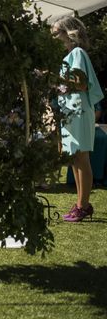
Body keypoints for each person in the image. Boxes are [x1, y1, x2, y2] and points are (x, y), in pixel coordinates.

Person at [53, 17, 103, 222]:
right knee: (74, 157)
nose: (53, 36)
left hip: (79, 110)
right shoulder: (69, 55)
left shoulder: (77, 53)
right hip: (71, 110)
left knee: (82, 157)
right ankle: (81, 204)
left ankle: (83, 205)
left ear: (68, 33)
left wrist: (54, 78)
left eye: (56, 32)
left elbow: (81, 84)